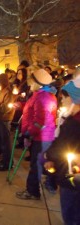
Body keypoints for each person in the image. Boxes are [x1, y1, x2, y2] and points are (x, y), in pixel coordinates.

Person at [16, 69, 57, 200]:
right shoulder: (39, 95)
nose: (29, 82)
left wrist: (28, 133)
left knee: (36, 165)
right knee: (38, 164)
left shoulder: (43, 98)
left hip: (41, 137)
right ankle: (44, 185)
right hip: (40, 136)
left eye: (31, 80)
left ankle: (33, 191)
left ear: (39, 83)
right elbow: (33, 109)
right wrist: (22, 105)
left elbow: (40, 121)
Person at [44, 76, 80, 225]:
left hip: (71, 177)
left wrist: (49, 155)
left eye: (64, 98)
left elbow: (63, 144)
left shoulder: (74, 122)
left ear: (74, 99)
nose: (62, 102)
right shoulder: (71, 119)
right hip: (71, 173)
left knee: (71, 214)